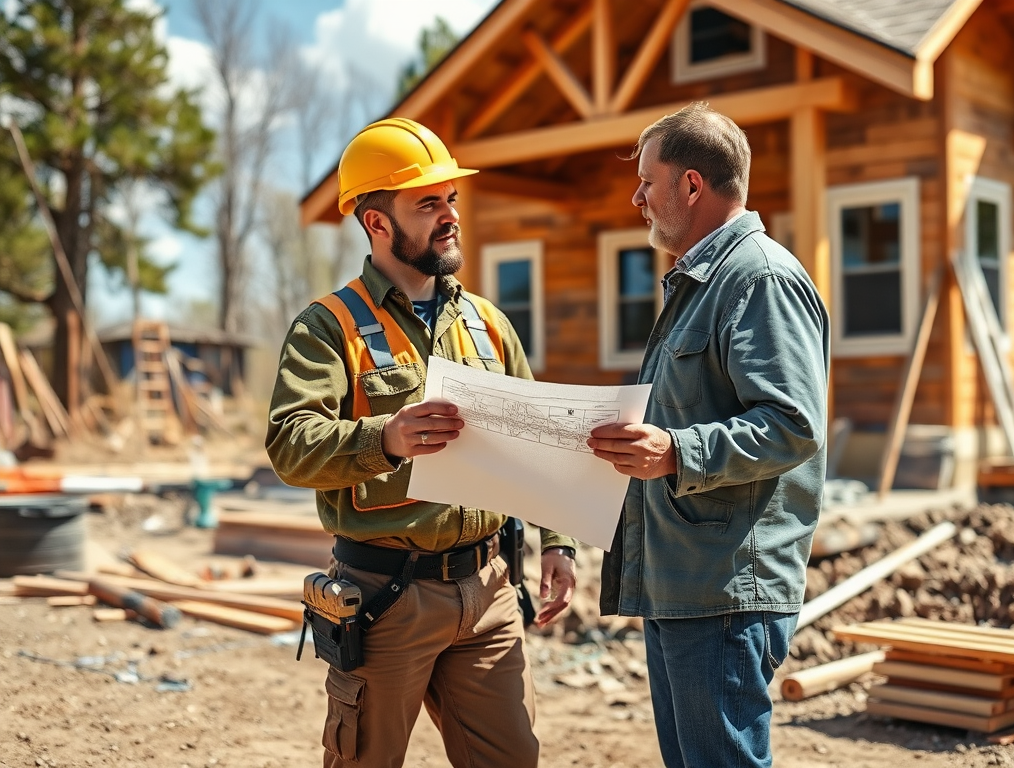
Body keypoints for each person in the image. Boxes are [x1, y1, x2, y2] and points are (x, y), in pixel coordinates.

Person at [266, 117, 578, 768]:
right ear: (377, 224)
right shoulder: (329, 327)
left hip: (490, 593)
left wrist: (558, 542)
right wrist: (387, 436)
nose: (450, 216)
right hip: (386, 598)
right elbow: (290, 444)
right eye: (428, 202)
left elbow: (537, 441)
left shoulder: (489, 324)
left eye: (452, 199)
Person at [588, 102, 830, 768]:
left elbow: (792, 424)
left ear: (690, 186)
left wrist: (673, 451)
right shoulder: (699, 283)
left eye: (647, 179)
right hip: (683, 583)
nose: (636, 196)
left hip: (725, 590)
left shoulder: (760, 279)